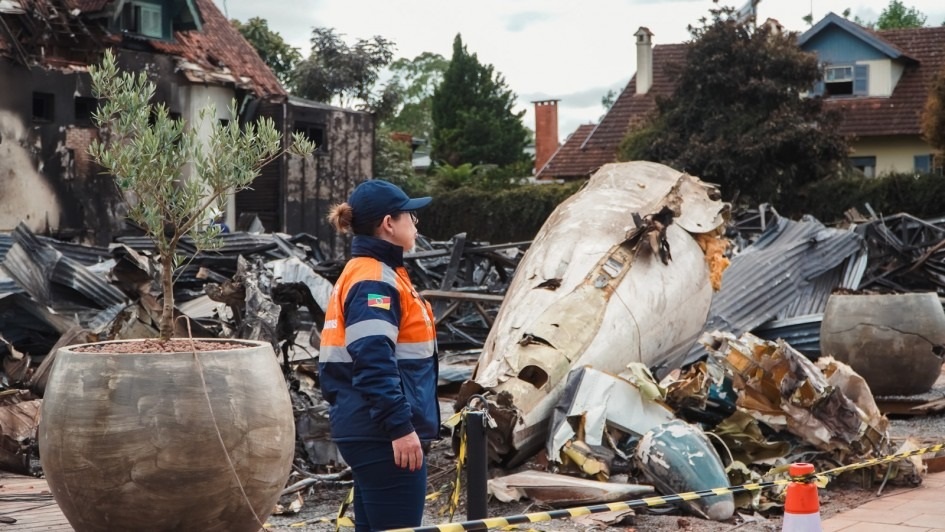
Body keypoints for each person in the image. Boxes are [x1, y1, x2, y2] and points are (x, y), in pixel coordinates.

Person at [319, 179, 439, 531]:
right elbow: (373, 361)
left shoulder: (375, 273)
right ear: (389, 223)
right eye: (410, 216)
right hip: (382, 434)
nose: (415, 224)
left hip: (369, 429)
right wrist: (400, 427)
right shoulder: (374, 280)